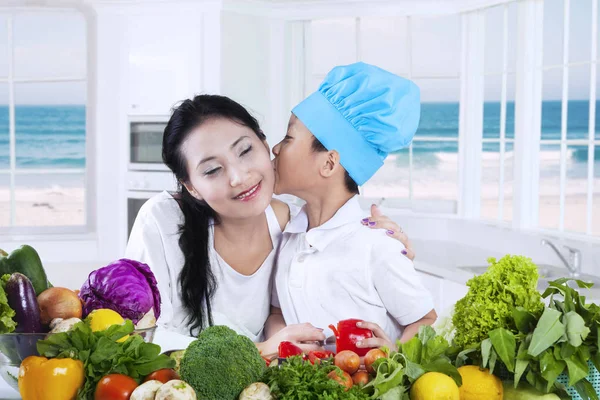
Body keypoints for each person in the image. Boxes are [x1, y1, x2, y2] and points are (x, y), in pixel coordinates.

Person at [125, 94, 414, 353]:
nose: (238, 177)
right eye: (212, 170)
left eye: (245, 150)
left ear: (265, 144)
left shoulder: (298, 229)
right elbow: (137, 338)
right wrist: (261, 350)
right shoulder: (162, 221)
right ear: (192, 187)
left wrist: (387, 248)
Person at [272, 62, 436, 350]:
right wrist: (283, 344)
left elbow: (426, 320)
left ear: (329, 163)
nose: (275, 148)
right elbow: (277, 313)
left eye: (288, 138)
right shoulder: (290, 236)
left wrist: (393, 353)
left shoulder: (376, 244)